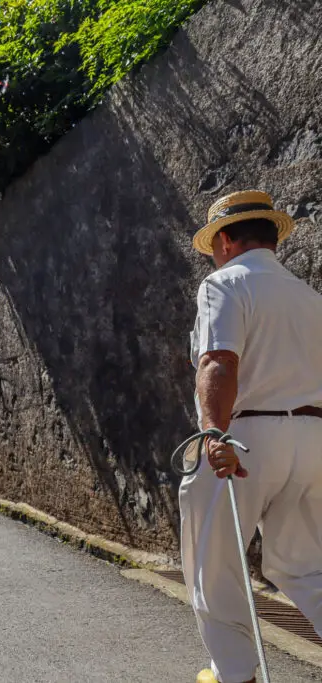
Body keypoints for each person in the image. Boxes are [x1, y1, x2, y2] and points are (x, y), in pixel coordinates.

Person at [180, 189, 322, 683]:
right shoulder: (311, 298)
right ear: (271, 240)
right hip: (312, 438)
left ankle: (235, 675)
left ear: (223, 240)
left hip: (247, 439)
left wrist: (214, 435)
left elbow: (219, 360)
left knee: (214, 564)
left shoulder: (224, 284)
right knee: (306, 567)